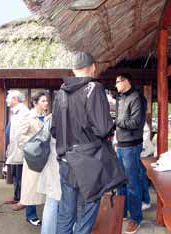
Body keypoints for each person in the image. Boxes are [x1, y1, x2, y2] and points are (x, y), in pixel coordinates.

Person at [52, 52, 114, 234]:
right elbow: (103, 129)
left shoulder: (61, 92)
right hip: (89, 162)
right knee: (87, 209)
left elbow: (54, 130)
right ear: (93, 67)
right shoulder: (94, 88)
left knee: (65, 212)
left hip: (65, 160)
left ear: (73, 69)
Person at [115, 73, 146, 234]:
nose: (117, 85)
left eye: (119, 81)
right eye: (116, 82)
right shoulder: (121, 99)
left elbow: (135, 122)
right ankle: (122, 212)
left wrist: (115, 121)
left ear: (127, 81)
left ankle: (136, 218)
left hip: (131, 146)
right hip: (120, 145)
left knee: (132, 184)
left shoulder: (136, 97)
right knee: (121, 182)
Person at [17, 91, 49, 226]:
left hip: (45, 156)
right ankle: (30, 214)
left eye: (47, 100)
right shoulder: (28, 117)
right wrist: (35, 141)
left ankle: (44, 213)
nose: (46, 103)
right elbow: (20, 137)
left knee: (43, 185)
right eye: (43, 101)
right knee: (30, 186)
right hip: (32, 157)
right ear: (35, 103)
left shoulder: (46, 117)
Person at [5, 90, 29, 211]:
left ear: (15, 99)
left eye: (8, 98)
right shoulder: (15, 112)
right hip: (14, 149)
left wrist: (20, 147)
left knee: (20, 176)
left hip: (20, 150)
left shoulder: (23, 112)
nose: (6, 100)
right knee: (15, 174)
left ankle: (22, 200)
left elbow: (22, 133)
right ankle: (16, 196)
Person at [37, 114, 61, 234]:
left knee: (51, 201)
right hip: (60, 163)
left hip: (51, 162)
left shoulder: (50, 118)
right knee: (55, 202)